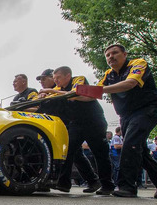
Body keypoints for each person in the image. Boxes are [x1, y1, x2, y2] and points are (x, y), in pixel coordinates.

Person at [97, 44, 157, 198]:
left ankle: (127, 186)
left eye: (115, 53)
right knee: (139, 149)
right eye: (107, 55)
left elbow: (130, 83)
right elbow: (90, 92)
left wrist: (99, 90)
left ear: (124, 54)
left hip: (147, 110)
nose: (111, 57)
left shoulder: (138, 64)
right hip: (125, 115)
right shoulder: (108, 74)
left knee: (130, 144)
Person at [40, 66, 114, 195]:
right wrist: (44, 95)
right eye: (54, 78)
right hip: (76, 123)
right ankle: (63, 183)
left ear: (67, 76)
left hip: (93, 121)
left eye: (58, 78)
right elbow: (49, 98)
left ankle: (107, 185)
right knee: (68, 150)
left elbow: (76, 94)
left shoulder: (78, 80)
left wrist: (51, 91)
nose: (56, 81)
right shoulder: (57, 89)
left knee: (100, 153)